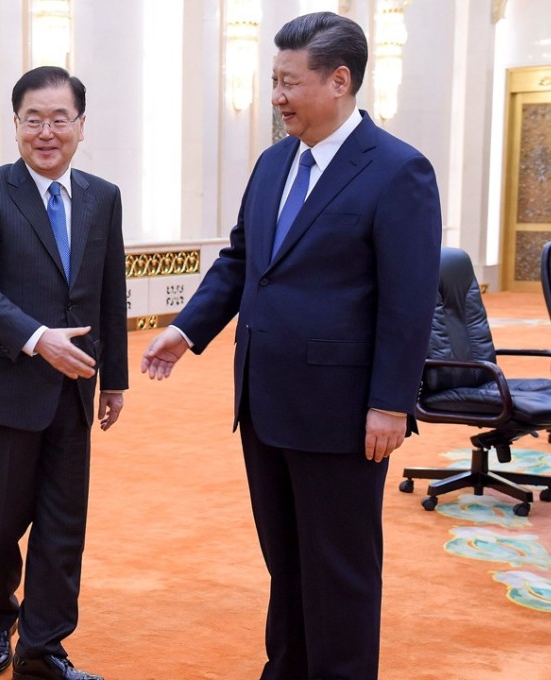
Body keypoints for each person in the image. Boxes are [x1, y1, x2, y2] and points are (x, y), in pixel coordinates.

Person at [141, 12, 441, 680]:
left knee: (340, 571)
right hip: (265, 402)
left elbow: (408, 300)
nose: (276, 97)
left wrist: (391, 402)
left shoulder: (398, 170)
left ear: (339, 81)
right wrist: (186, 330)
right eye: (272, 81)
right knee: (287, 562)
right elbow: (242, 261)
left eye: (288, 82)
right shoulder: (274, 161)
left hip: (343, 412)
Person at [0, 66, 128, 680]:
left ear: (81, 125)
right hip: (5, 388)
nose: (46, 132)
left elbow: (109, 292)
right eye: (34, 119)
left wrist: (114, 378)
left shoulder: (103, 196)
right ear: (16, 124)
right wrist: (36, 339)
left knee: (62, 523)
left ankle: (42, 647)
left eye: (59, 119)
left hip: (74, 391)